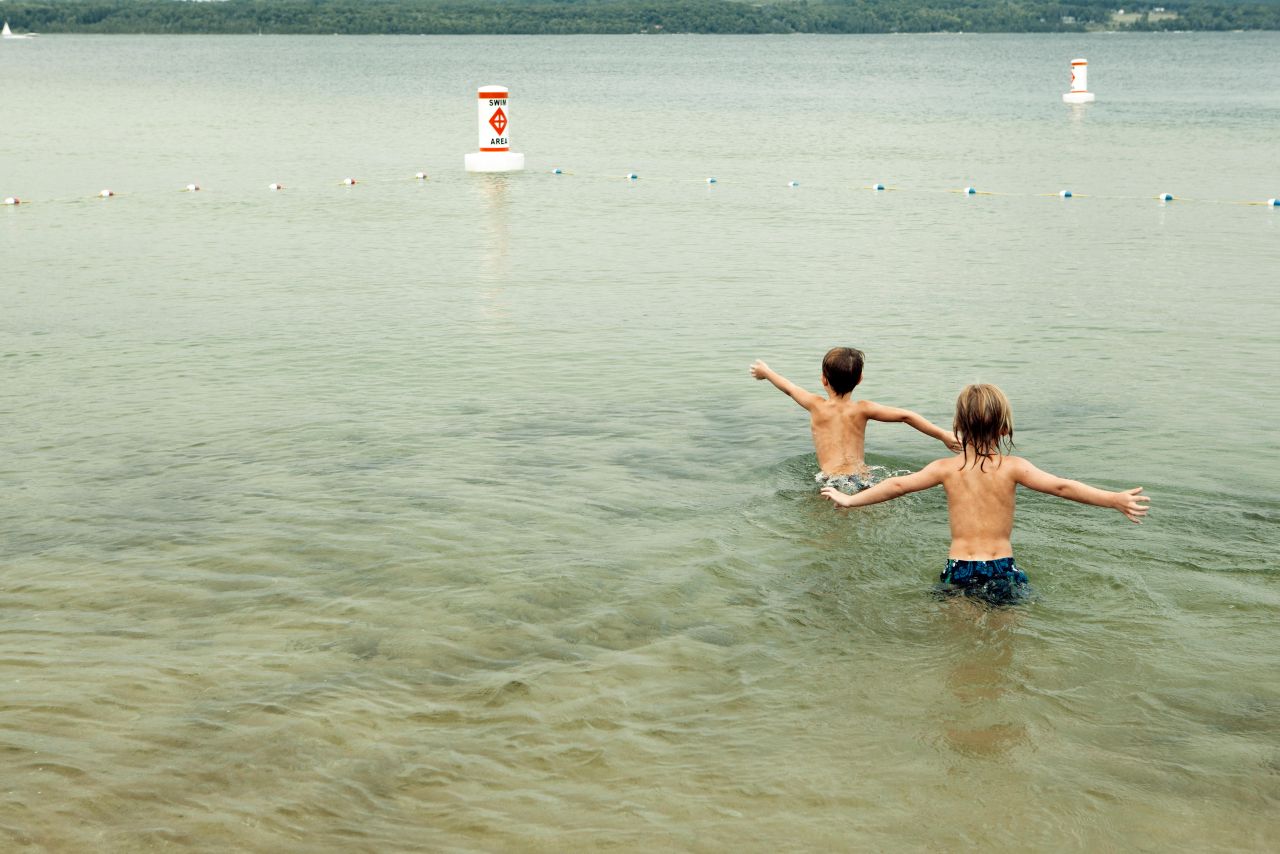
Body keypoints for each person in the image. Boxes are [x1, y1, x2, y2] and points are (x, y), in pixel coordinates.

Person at [820, 383, 1150, 604]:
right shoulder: (1013, 467)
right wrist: (1113, 500)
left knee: (959, 643)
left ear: (957, 427)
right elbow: (1062, 487)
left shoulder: (945, 468)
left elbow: (897, 486)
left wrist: (850, 499)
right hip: (1001, 567)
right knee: (1004, 644)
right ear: (1004, 428)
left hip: (960, 567)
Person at [750, 348, 960, 493]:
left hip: (830, 479)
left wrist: (766, 372)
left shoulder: (816, 405)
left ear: (823, 379)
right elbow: (906, 416)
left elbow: (788, 387)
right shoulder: (863, 409)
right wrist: (942, 434)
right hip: (863, 479)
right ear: (859, 379)